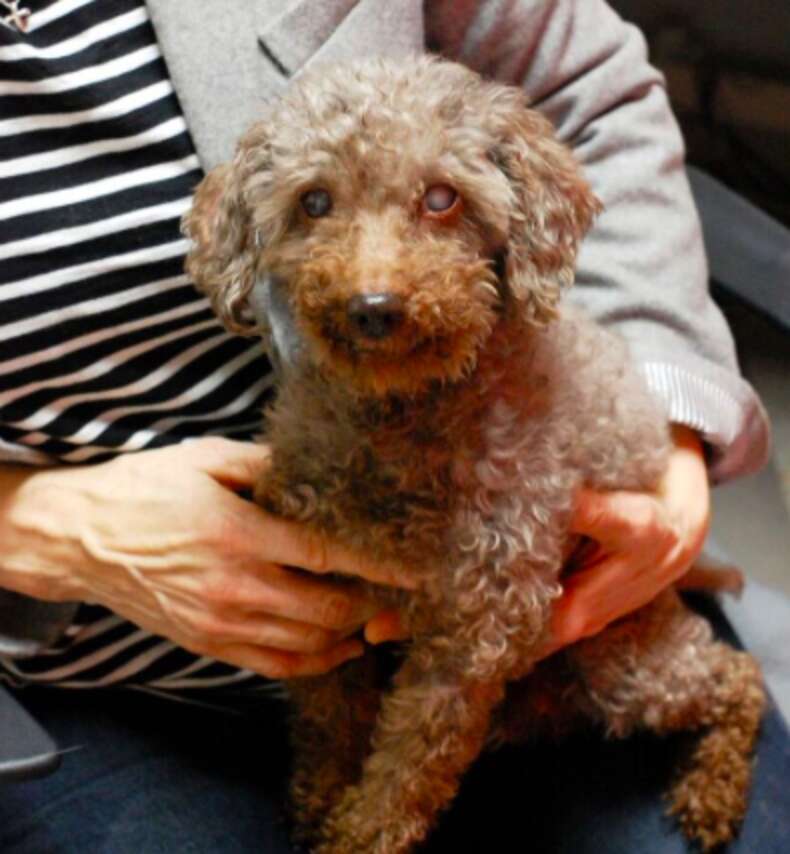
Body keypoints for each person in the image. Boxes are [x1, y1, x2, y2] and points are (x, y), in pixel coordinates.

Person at [0, 1, 785, 852]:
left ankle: (728, 702)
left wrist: (670, 445)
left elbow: (592, 88)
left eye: (440, 202)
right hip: (106, 681)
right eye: (317, 205)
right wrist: (32, 526)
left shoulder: (521, 412)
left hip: (571, 623)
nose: (375, 280)